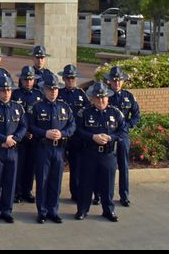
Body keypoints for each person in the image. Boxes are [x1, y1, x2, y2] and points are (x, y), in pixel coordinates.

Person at [75, 82, 128, 222]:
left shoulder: (116, 113)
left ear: (108, 97)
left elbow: (123, 132)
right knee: (86, 184)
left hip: (108, 154)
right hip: (89, 154)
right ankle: (82, 210)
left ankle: (108, 210)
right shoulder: (84, 113)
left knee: (108, 185)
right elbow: (78, 131)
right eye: (98, 98)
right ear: (92, 98)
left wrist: (111, 137)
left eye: (104, 97)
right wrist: (92, 137)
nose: (101, 100)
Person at [29, 73, 75, 224]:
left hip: (59, 150)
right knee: (42, 180)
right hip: (43, 148)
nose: (53, 91)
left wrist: (62, 133)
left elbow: (72, 125)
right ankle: (42, 212)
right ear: (44, 90)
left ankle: (53, 211)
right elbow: (30, 126)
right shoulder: (37, 107)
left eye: (55, 88)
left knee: (56, 181)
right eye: (50, 89)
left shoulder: (64, 107)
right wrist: (45, 133)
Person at [0, 74, 27, 224]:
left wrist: (14, 139)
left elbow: (23, 126)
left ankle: (6, 211)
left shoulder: (18, 107)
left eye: (8, 90)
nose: (6, 93)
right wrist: (4, 139)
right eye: (3, 90)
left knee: (10, 181)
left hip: (13, 150)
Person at [106, 66, 139, 207]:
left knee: (123, 166)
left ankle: (124, 196)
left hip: (123, 136)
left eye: (119, 81)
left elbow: (136, 115)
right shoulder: (105, 96)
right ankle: (103, 195)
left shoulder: (128, 96)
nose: (117, 83)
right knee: (107, 167)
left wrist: (128, 125)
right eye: (114, 81)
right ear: (110, 82)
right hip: (109, 135)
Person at [58, 65, 88, 203]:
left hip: (76, 137)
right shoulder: (58, 93)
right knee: (58, 166)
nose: (71, 81)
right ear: (63, 79)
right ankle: (55, 194)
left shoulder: (82, 94)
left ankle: (75, 194)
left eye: (73, 78)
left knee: (76, 167)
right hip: (61, 136)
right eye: (68, 78)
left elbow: (87, 114)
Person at [13, 65, 42, 204]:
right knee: (19, 165)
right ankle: (17, 192)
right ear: (21, 80)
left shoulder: (39, 95)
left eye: (31, 79)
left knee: (30, 165)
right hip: (19, 136)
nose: (28, 82)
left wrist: (32, 132)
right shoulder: (15, 94)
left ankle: (27, 191)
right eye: (26, 79)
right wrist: (23, 133)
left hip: (34, 136)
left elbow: (39, 117)